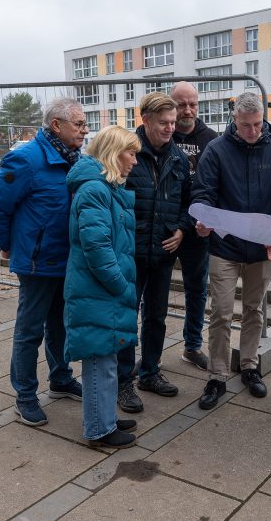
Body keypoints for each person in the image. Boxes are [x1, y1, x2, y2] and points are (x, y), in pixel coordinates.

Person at [0, 98, 85, 426]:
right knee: (30, 330)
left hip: (66, 258)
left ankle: (61, 378)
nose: (85, 130)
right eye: (79, 124)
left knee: (60, 324)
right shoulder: (26, 160)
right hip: (38, 261)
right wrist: (9, 244)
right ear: (56, 125)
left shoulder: (74, 159)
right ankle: (25, 394)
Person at [192, 92, 271, 410]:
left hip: (261, 248)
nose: (251, 132)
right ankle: (217, 374)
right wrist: (203, 219)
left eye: (257, 124)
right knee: (220, 312)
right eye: (245, 125)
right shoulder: (217, 150)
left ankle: (249, 366)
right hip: (224, 246)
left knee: (254, 311)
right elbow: (204, 191)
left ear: (263, 119)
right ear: (235, 120)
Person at [64, 126, 140, 448]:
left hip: (101, 291)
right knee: (99, 361)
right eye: (130, 153)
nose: (134, 161)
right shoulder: (94, 190)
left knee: (107, 357)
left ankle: (104, 416)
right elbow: (97, 248)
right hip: (99, 290)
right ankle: (98, 429)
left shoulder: (104, 188)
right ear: (112, 153)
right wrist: (121, 286)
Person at [116, 92, 192, 412]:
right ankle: (122, 382)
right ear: (144, 120)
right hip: (130, 253)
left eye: (173, 122)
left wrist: (181, 229)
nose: (170, 128)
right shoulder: (126, 152)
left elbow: (189, 201)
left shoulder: (179, 158)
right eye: (163, 122)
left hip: (163, 251)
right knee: (124, 318)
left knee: (157, 317)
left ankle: (150, 372)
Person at [170, 82, 219, 371]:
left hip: (197, 226)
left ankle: (192, 346)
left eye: (192, 104)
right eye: (181, 104)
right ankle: (147, 353)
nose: (187, 110)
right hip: (165, 227)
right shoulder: (163, 133)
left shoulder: (210, 139)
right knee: (152, 291)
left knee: (197, 289)